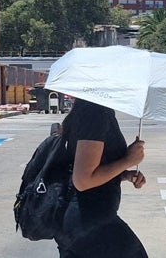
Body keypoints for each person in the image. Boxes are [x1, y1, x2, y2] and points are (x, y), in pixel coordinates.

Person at [55, 98, 148, 258]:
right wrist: (128, 160)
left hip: (84, 220)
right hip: (89, 221)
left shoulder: (93, 109)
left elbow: (90, 167)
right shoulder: (95, 112)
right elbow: (83, 180)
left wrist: (124, 174)